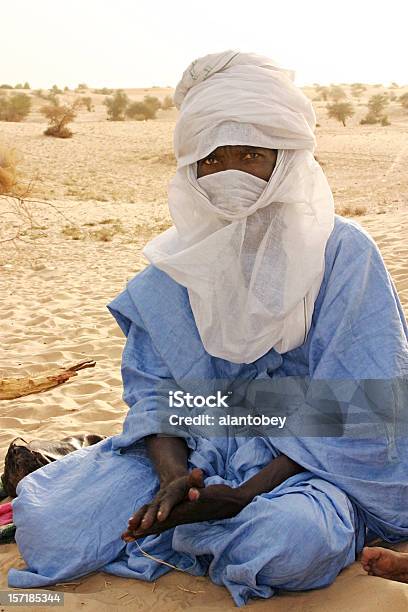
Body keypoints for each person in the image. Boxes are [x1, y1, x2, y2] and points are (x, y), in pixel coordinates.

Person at [8, 51, 408, 607]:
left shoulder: (342, 254)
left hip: (309, 464)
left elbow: (364, 403)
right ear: (190, 168)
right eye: (212, 159)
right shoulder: (171, 271)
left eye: (250, 155)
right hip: (196, 450)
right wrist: (176, 477)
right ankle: (195, 525)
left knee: (284, 543)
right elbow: (154, 396)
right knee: (53, 525)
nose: (229, 175)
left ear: (286, 159)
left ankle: (229, 529)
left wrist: (244, 493)